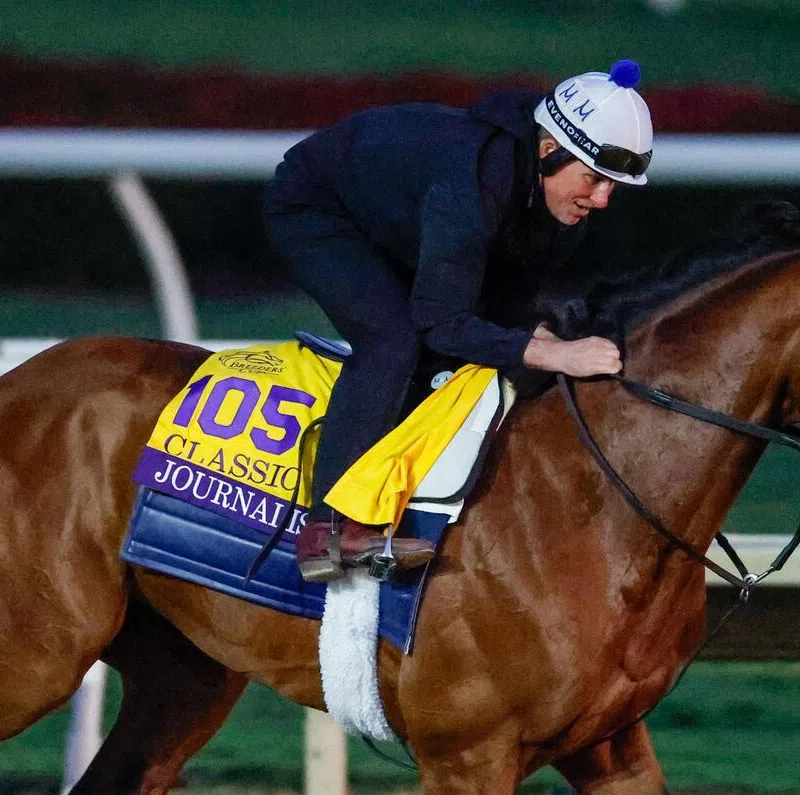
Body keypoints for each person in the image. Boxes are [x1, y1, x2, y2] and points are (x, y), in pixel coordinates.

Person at [263, 59, 654, 582]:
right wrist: (551, 352)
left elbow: (505, 308)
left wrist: (535, 336)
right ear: (548, 151)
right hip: (319, 207)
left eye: (613, 185)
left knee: (493, 348)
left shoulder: (561, 209)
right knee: (394, 341)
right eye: (593, 179)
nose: (601, 200)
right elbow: (441, 323)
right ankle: (327, 529)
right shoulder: (474, 185)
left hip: (407, 217)